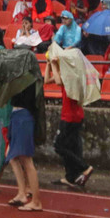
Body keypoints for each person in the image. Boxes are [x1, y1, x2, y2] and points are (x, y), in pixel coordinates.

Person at [0, 48, 45, 212]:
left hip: (23, 117)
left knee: (26, 161)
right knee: (13, 157)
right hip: (17, 117)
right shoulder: (23, 78)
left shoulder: (27, 79)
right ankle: (22, 193)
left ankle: (36, 201)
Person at [45, 43, 98, 189]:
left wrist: (54, 64)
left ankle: (84, 167)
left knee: (59, 146)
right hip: (76, 116)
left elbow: (56, 80)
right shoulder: (73, 73)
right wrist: (49, 64)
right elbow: (47, 80)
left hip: (69, 117)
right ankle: (70, 176)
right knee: (71, 148)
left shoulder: (72, 75)